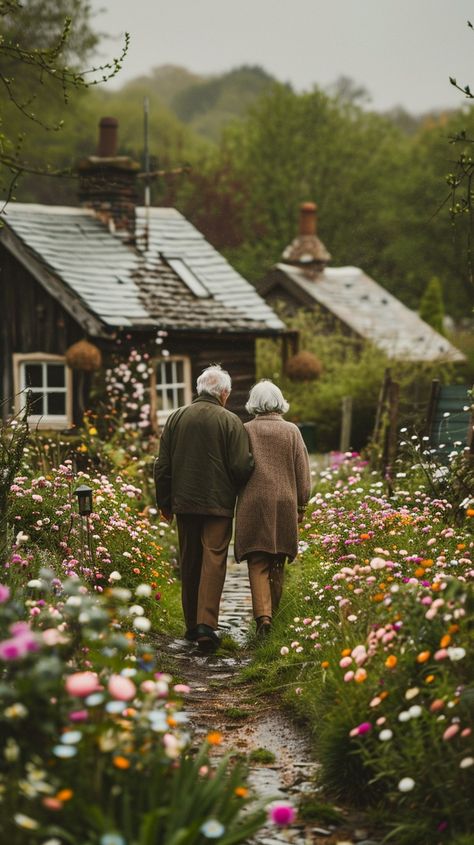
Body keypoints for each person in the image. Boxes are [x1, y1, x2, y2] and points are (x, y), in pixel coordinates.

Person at [154, 365, 254, 649]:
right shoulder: (230, 420)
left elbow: (162, 465)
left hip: (183, 503)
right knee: (214, 559)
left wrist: (165, 503)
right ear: (224, 393)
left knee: (190, 561)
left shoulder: (176, 418)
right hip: (218, 505)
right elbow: (240, 465)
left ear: (199, 390)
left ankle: (190, 625)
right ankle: (206, 626)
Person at [234, 380, 311, 636]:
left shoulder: (244, 430)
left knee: (257, 560)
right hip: (284, 502)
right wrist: (302, 504)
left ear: (253, 403)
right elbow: (303, 473)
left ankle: (263, 618)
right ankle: (273, 618)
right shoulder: (292, 431)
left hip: (253, 502)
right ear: (280, 402)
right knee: (278, 560)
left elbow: (236, 468)